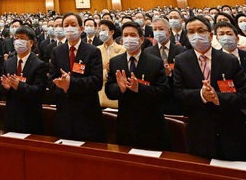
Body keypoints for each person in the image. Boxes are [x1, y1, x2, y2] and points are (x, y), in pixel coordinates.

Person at [173, 15, 246, 162]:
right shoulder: (181, 61)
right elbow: (178, 93)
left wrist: (218, 97)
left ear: (210, 35)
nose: (196, 35)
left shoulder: (229, 60)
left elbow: (245, 95)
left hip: (231, 128)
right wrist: (201, 95)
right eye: (191, 32)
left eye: (200, 30)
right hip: (200, 130)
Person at [105, 21, 171, 150]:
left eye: (132, 35)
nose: (128, 38)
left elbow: (164, 92)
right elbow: (109, 90)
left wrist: (139, 88)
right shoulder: (115, 62)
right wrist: (120, 89)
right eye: (125, 35)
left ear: (141, 40)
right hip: (126, 123)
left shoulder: (155, 62)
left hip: (151, 123)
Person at [48, 12, 105, 142]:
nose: (69, 28)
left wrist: (71, 83)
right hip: (64, 113)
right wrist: (62, 86)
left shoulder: (93, 51)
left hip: (86, 114)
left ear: (81, 28)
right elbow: (51, 81)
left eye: (73, 25)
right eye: (66, 25)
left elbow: (97, 82)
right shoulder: (57, 51)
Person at [1, 25, 47, 134]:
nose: (18, 41)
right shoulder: (8, 63)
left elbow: (39, 91)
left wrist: (20, 86)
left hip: (30, 117)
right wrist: (6, 88)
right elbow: (0, 92)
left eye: (22, 38)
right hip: (11, 116)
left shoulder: (39, 64)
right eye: (16, 38)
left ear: (30, 43)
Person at [96, 19, 125, 108]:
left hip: (118, 91)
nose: (101, 33)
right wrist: (106, 71)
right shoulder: (96, 50)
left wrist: (110, 69)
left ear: (112, 32)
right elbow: (95, 72)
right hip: (101, 93)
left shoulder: (123, 49)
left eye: (103, 30)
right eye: (99, 30)